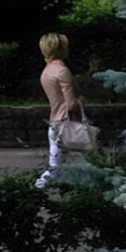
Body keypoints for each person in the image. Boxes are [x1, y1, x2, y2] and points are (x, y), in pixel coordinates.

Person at [36, 31, 82, 186]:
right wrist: (81, 101)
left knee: (55, 164)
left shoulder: (47, 71)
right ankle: (38, 187)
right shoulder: (62, 71)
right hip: (67, 124)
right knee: (93, 156)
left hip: (55, 122)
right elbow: (71, 104)